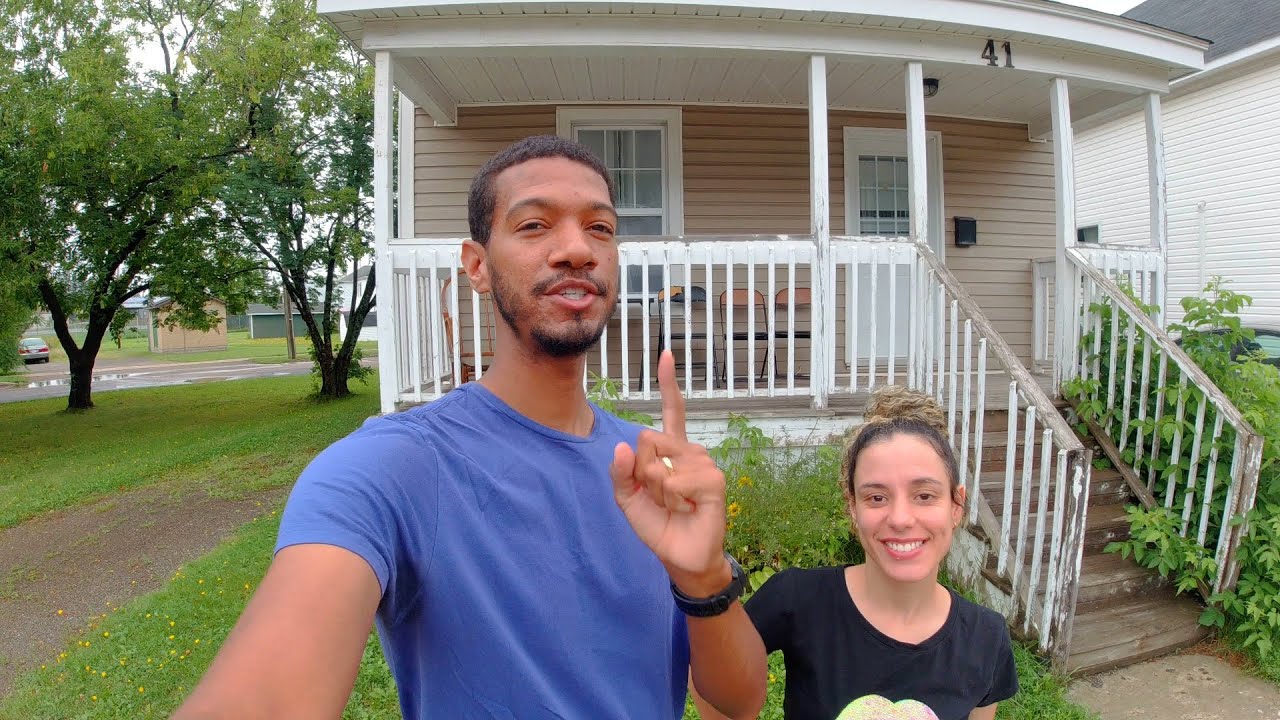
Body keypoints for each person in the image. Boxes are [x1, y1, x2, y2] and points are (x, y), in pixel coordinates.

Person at [174, 135, 767, 720]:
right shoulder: (390, 468)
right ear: (477, 266)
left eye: (600, 228)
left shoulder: (650, 470)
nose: (576, 249)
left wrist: (703, 578)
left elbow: (738, 703)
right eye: (534, 226)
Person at [695, 386, 1018, 720]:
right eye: (877, 497)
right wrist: (701, 579)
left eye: (924, 495)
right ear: (852, 507)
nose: (901, 519)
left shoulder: (986, 637)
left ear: (956, 505)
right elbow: (715, 688)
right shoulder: (798, 599)